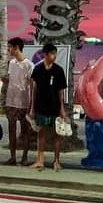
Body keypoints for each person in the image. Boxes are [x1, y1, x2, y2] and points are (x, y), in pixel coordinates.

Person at [28, 42, 67, 171]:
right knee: (41, 133)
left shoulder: (58, 70)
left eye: (55, 54)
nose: (53, 56)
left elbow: (61, 91)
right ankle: (40, 160)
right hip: (41, 106)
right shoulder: (38, 69)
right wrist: (32, 108)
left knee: (57, 134)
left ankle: (56, 160)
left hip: (55, 106)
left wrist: (62, 108)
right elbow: (34, 89)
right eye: (51, 54)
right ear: (45, 54)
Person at [0, 37, 33, 166]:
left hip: (24, 102)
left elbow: (31, 84)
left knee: (25, 131)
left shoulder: (29, 65)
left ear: (16, 47)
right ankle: (12, 156)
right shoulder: (12, 63)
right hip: (11, 100)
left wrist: (31, 104)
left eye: (10, 47)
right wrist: (5, 79)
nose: (8, 49)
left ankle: (24, 157)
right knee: (11, 129)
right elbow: (12, 78)